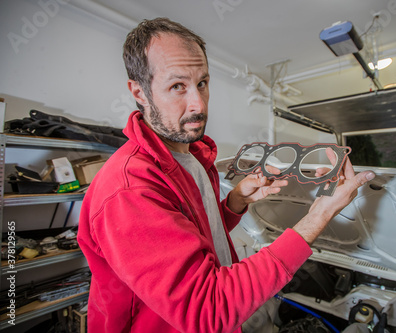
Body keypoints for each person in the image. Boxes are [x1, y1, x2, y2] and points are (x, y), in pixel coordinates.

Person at [77, 17, 375, 333]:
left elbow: (190, 234)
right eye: (177, 86)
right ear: (139, 91)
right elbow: (210, 311)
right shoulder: (129, 190)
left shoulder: (190, 156)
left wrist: (233, 203)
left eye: (202, 83)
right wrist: (320, 215)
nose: (198, 104)